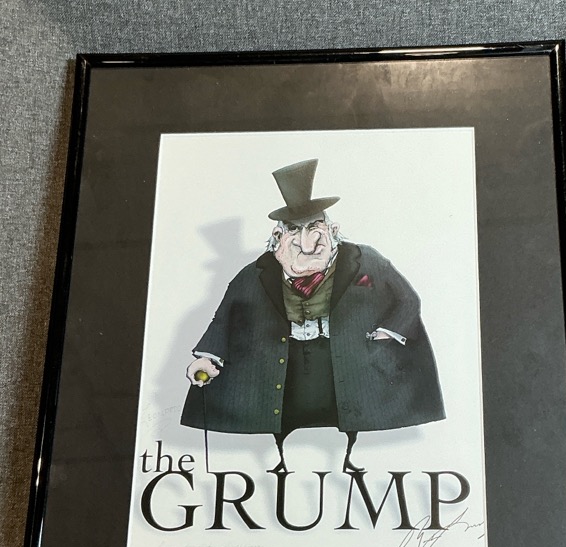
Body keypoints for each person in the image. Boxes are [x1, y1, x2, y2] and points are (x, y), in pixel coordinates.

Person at [181, 158, 444, 472]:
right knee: (283, 410)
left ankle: (351, 455)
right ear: (278, 236)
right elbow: (225, 316)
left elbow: (407, 300)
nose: (305, 240)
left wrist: (387, 334)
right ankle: (279, 458)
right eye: (294, 229)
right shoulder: (256, 273)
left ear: (332, 230)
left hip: (344, 358)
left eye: (314, 227)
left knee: (350, 407)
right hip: (286, 359)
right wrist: (207, 357)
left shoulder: (365, 261)